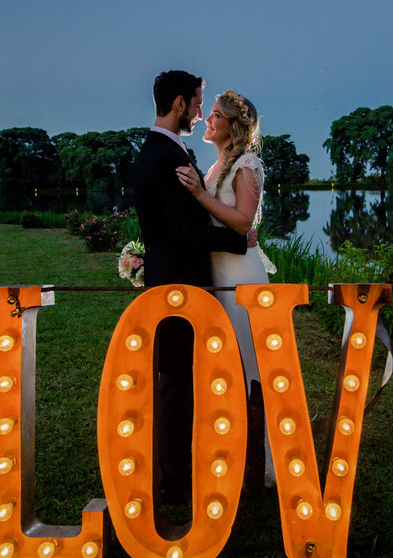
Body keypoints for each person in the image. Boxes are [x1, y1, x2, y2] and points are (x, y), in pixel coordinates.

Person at [133, 70, 249, 505]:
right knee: (177, 383)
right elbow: (183, 233)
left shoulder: (163, 150)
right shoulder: (165, 157)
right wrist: (237, 241)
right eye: (198, 103)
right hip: (178, 284)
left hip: (175, 280)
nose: (201, 113)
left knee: (180, 380)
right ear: (179, 103)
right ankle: (176, 481)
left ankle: (182, 467)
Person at [176, 90, 277, 491]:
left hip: (240, 274)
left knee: (247, 362)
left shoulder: (249, 164)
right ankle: (226, 447)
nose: (207, 119)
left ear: (232, 125)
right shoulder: (216, 163)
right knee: (221, 365)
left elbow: (242, 220)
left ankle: (261, 459)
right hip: (215, 270)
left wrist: (199, 194)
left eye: (215, 115)